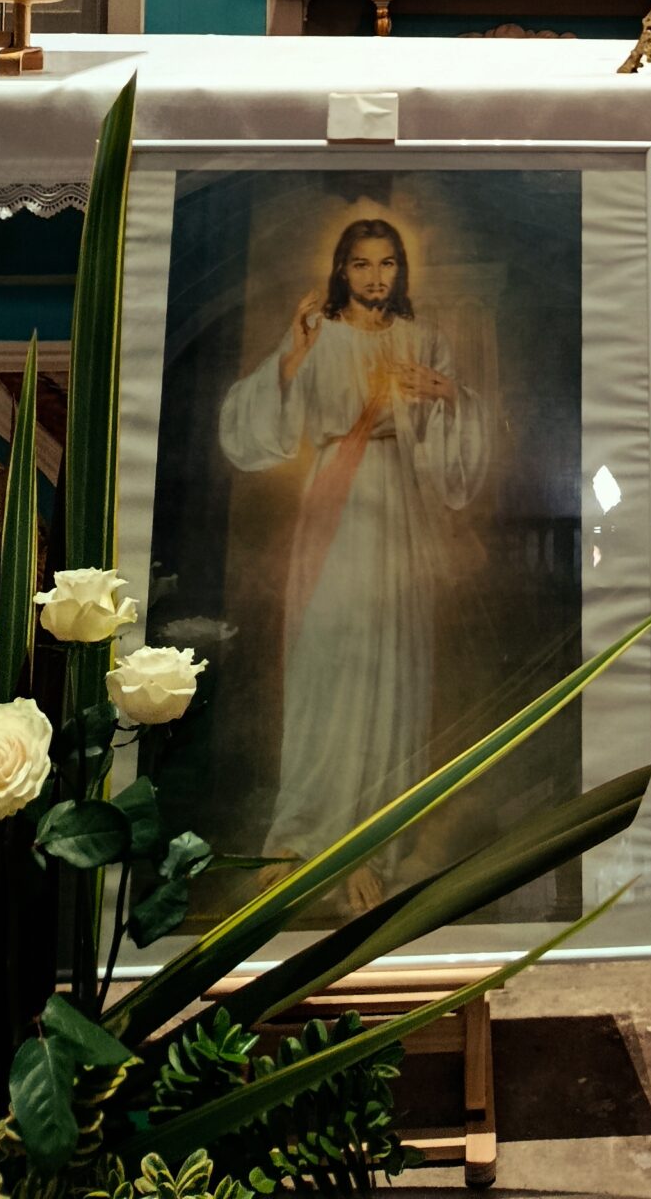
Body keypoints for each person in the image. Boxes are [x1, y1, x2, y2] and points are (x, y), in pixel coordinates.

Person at [217, 217, 486, 899]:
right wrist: (292, 358)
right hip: (334, 504)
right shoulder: (319, 334)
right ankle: (304, 830)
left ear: (401, 270)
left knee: (393, 660)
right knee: (328, 658)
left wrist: (449, 395)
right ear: (342, 269)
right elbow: (253, 427)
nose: (375, 277)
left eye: (387, 263)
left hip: (402, 507)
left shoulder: (423, 338)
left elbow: (457, 447)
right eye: (362, 264)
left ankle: (371, 837)